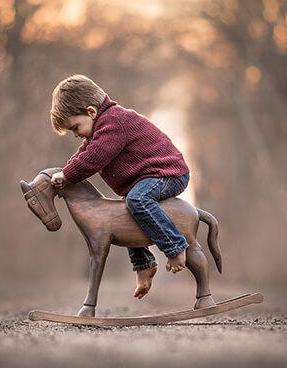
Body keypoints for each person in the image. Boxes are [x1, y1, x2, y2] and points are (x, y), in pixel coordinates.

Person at [49, 74, 190, 300]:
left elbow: (94, 158)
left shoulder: (114, 122)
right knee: (125, 210)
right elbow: (83, 153)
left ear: (91, 112)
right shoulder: (100, 127)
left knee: (136, 200)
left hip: (168, 173)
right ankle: (144, 265)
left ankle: (174, 247)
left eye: (75, 127)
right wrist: (64, 172)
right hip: (147, 179)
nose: (76, 135)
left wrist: (67, 175)